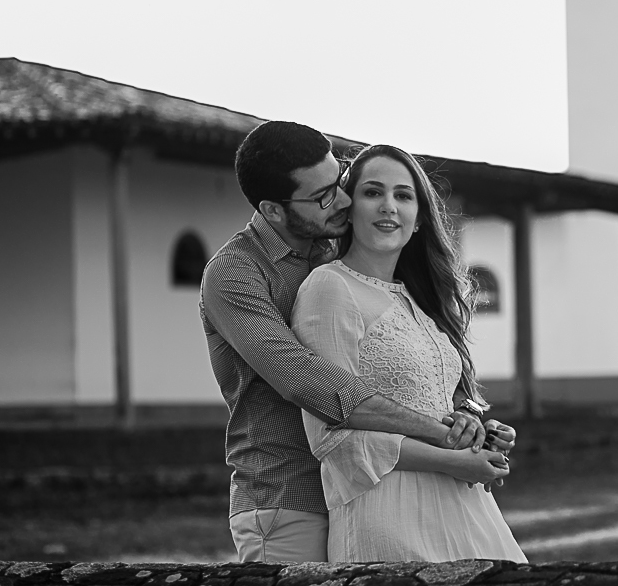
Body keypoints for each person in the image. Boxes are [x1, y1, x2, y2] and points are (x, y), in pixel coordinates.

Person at [200, 121, 513, 563]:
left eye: (340, 180)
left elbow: (402, 371)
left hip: (373, 486)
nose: (345, 200)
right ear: (273, 211)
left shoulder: (331, 251)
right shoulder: (235, 274)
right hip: (290, 497)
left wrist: (467, 419)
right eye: (325, 195)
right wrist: (444, 437)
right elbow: (306, 382)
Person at [291, 144, 526, 562]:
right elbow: (330, 436)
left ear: (419, 219)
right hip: (388, 511)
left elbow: (434, 403)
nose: (389, 206)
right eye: (372, 192)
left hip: (464, 506)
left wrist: (475, 430)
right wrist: (450, 461)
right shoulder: (329, 288)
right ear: (348, 208)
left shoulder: (419, 298)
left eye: (403, 195)